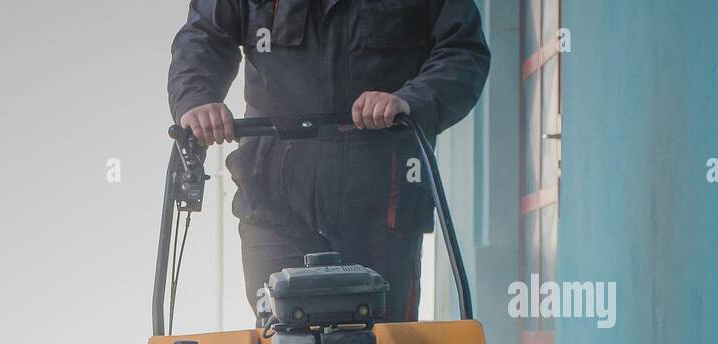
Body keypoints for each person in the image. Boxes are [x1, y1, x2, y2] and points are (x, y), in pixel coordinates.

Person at [169, 0, 490, 322]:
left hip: (382, 200)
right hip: (274, 202)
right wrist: (197, 99)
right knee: (280, 336)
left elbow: (462, 52)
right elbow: (204, 37)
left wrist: (411, 99)